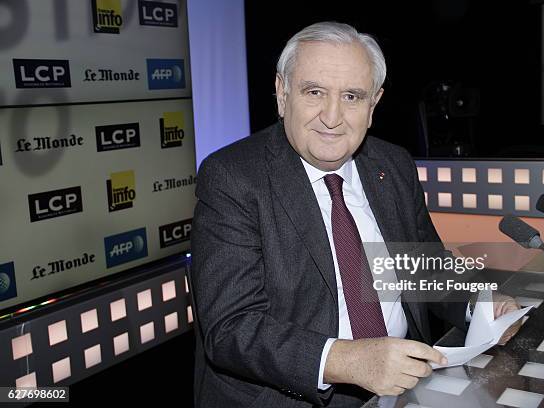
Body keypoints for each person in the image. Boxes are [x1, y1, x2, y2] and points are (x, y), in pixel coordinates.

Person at [191, 21, 521, 408]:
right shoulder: (233, 176)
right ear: (282, 93)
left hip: (406, 387)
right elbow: (231, 327)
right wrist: (347, 361)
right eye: (314, 92)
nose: (332, 117)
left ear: (373, 105)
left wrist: (480, 305)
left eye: (351, 96)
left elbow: (424, 270)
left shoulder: (393, 164)